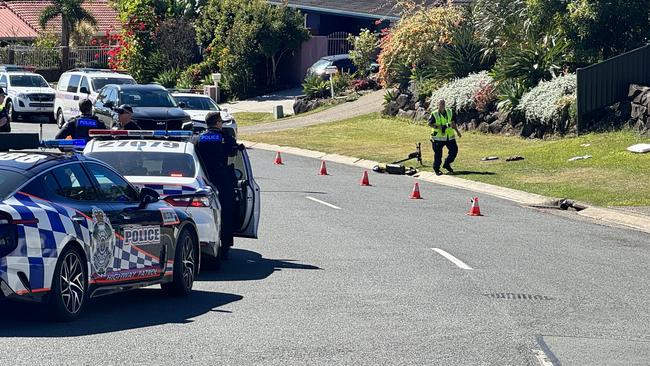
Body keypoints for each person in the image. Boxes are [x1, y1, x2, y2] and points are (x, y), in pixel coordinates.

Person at [192, 111, 240, 257]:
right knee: (226, 212)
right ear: (218, 123)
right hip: (223, 181)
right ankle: (225, 245)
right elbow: (233, 154)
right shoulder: (226, 138)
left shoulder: (197, 138)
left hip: (203, 180)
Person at [428, 99, 462, 176]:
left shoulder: (450, 112)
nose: (442, 105)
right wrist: (438, 127)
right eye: (440, 104)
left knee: (454, 150)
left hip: (449, 136)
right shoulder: (434, 113)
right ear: (437, 105)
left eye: (443, 104)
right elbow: (429, 123)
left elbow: (453, 123)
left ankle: (447, 164)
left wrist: (457, 132)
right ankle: (436, 169)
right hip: (437, 138)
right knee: (438, 154)